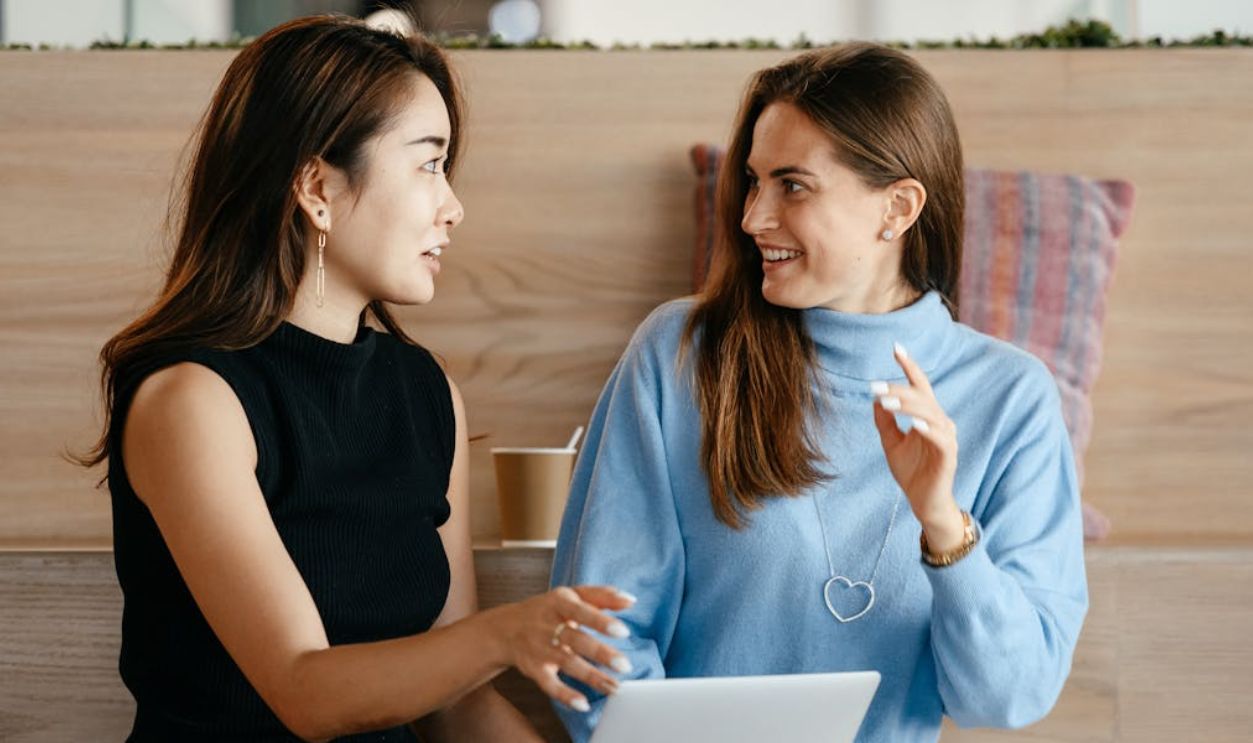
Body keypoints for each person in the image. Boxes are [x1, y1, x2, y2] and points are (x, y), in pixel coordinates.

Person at [76, 15, 631, 742]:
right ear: (315, 188)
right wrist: (506, 634)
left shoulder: (425, 393)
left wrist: (497, 649)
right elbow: (304, 690)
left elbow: (453, 703)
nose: (452, 206)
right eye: (428, 163)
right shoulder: (192, 401)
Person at [551, 43, 1088, 743]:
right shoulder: (680, 354)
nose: (752, 218)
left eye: (791, 185)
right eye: (752, 181)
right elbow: (594, 643)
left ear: (896, 207)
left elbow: (1005, 697)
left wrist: (942, 524)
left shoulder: (1011, 398)